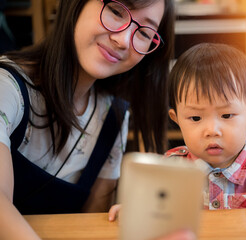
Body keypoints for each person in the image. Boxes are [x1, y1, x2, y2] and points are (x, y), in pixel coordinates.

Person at [0, 0, 195, 239]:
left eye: (144, 33)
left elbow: (93, 226)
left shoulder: (112, 116)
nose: (123, 40)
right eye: (115, 11)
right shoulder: (7, 87)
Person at [165, 43, 246, 213]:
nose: (212, 130)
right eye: (196, 118)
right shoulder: (169, 168)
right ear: (177, 120)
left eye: (226, 116)